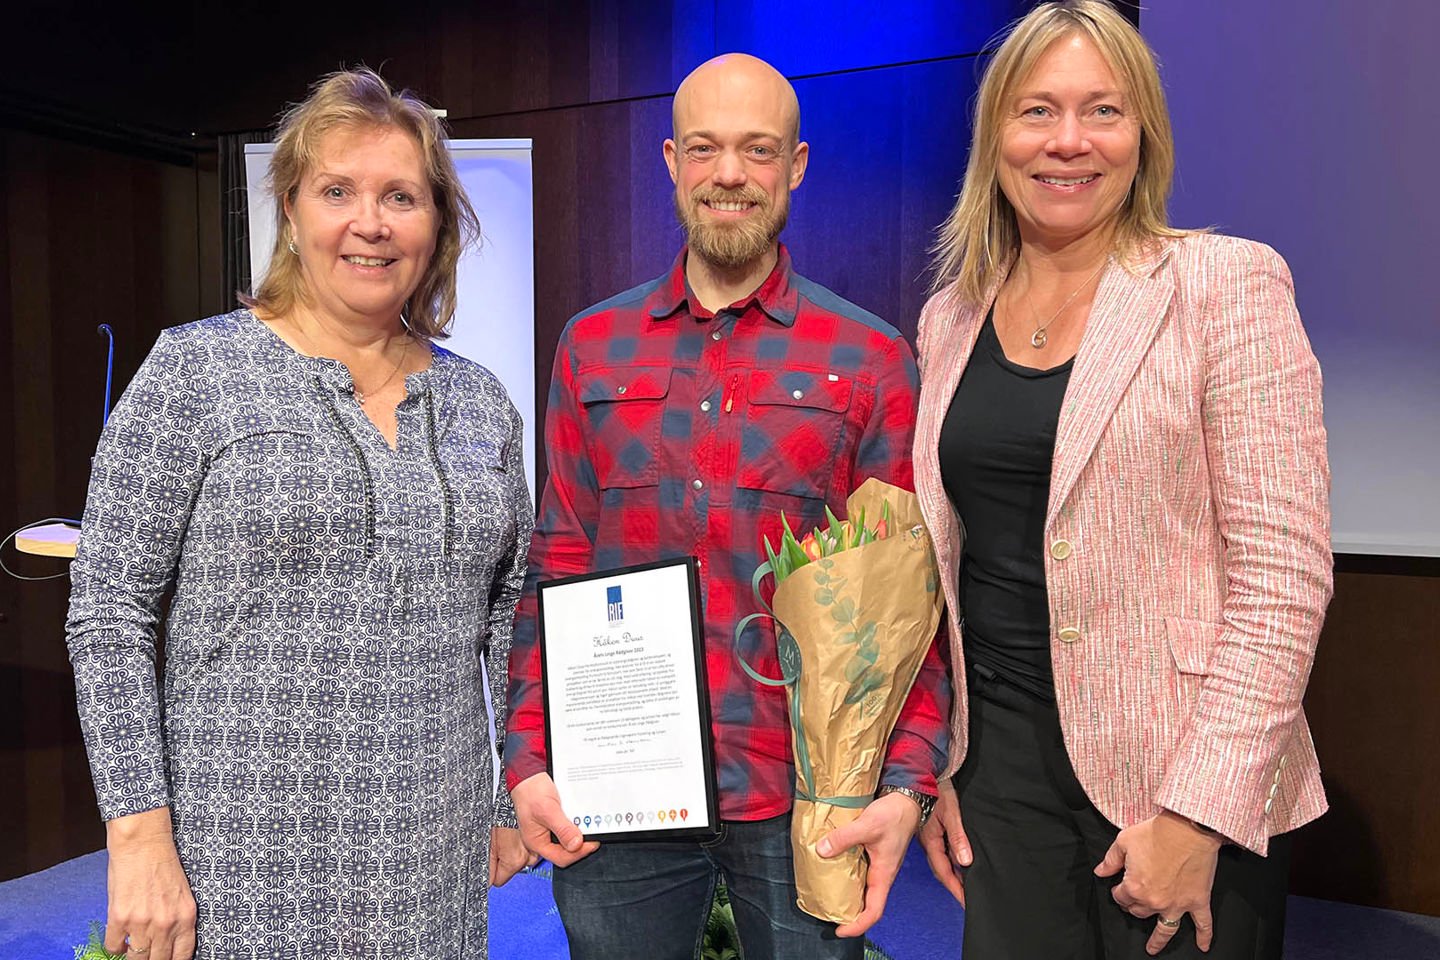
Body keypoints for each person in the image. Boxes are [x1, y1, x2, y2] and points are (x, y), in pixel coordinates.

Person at [65, 68, 533, 960]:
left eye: (401, 195)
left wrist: (510, 789)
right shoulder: (194, 374)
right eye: (337, 191)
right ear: (290, 207)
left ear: (436, 223)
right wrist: (137, 836)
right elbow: (109, 611)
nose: (371, 222)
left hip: (428, 859)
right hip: (236, 866)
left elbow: (513, 608)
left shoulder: (481, 403)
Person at [504, 53, 951, 958]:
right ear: (671, 161)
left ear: (797, 165)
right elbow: (555, 562)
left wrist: (907, 783)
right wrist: (528, 757)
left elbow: (913, 599)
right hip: (619, 784)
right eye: (705, 149)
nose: (730, 175)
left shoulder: (869, 357)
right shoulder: (591, 347)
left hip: (810, 788)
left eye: (758, 150)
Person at [911, 3, 1333, 958]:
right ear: (995, 137)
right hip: (999, 781)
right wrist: (940, 763)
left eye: (1103, 111)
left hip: (1179, 781)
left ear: (1144, 133)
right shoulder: (950, 315)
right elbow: (951, 565)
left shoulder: (1225, 284)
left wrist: (1199, 811)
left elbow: (1284, 577)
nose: (1069, 141)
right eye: (1037, 111)